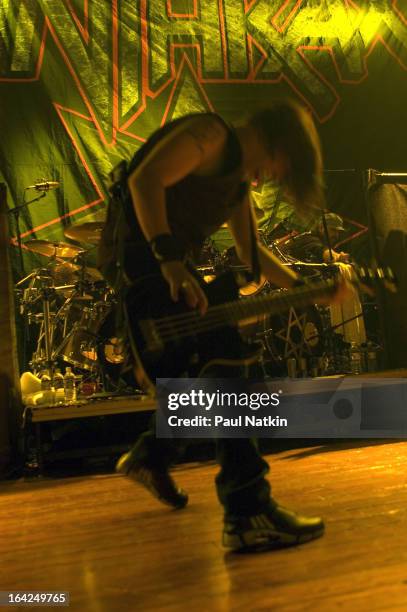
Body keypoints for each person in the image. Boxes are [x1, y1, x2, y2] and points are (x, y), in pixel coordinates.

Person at [98, 99, 348, 551]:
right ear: (276, 144)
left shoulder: (235, 188)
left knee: (221, 369)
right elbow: (144, 180)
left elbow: (252, 255)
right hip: (142, 267)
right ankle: (245, 509)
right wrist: (170, 260)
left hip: (168, 269)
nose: (274, 177)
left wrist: (310, 287)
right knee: (229, 366)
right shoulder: (211, 136)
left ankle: (155, 455)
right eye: (283, 166)